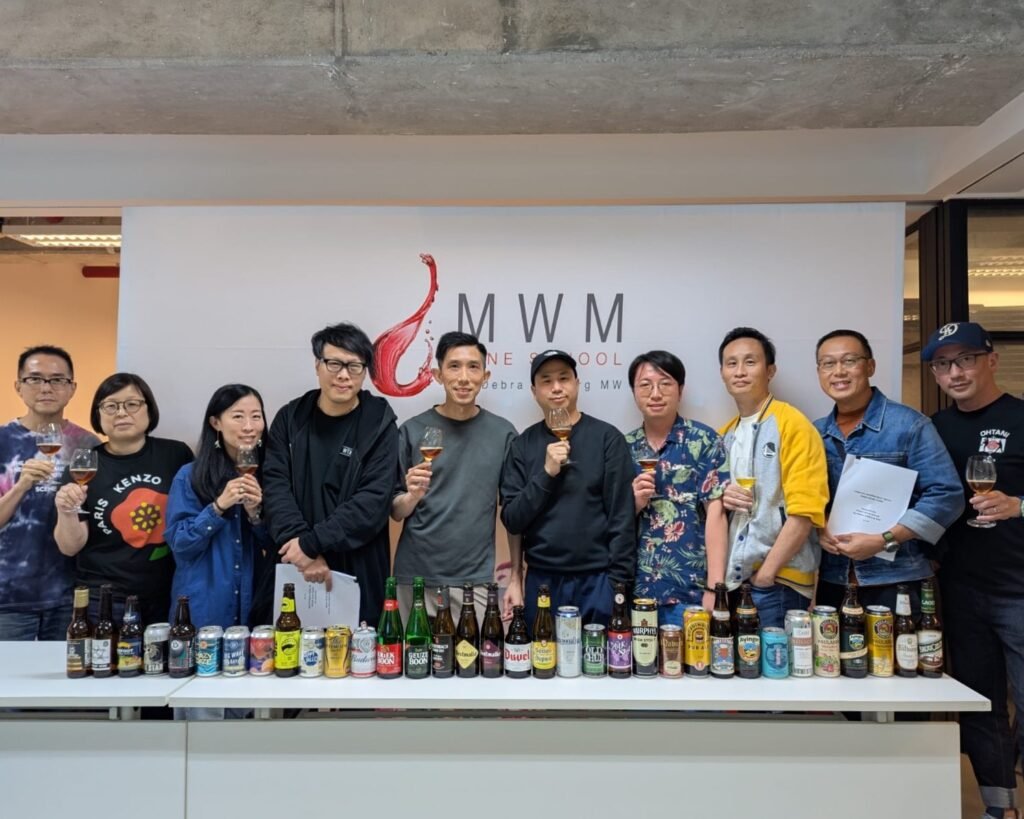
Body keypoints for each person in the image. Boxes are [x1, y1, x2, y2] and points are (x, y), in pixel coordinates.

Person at [925, 321, 1024, 819]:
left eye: (965, 359)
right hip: (960, 587)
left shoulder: (1021, 418)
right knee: (981, 707)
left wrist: (1019, 506)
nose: (955, 371)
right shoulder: (937, 428)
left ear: (991, 359)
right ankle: (998, 808)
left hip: (1019, 590)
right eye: (943, 364)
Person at [813, 329, 962, 616]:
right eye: (828, 364)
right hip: (834, 580)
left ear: (870, 366)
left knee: (899, 661)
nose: (839, 371)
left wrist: (886, 539)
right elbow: (806, 498)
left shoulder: (909, 425)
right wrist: (819, 527)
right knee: (835, 662)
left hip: (898, 580)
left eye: (849, 361)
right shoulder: (814, 432)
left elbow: (947, 495)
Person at [259, 322, 398, 627]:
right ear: (317, 365)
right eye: (334, 363)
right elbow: (275, 486)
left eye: (354, 366)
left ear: (366, 371)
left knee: (360, 665)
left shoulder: (379, 424)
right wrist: (303, 550)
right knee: (289, 657)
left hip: (358, 566)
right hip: (293, 562)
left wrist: (312, 544)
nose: (344, 375)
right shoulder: (291, 417)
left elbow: (373, 501)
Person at [500, 349, 635, 626]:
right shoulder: (522, 445)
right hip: (542, 582)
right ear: (534, 391)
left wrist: (617, 586)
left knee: (600, 669)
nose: (557, 388)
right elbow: (512, 518)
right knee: (544, 666)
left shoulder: (607, 438)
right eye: (546, 381)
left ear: (577, 383)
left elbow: (622, 517)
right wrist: (547, 473)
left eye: (564, 378)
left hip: (599, 582)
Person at [391, 331, 517, 624]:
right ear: (437, 374)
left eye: (473, 367)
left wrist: (515, 576)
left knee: (473, 668)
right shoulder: (412, 430)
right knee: (414, 667)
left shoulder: (503, 434)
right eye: (454, 366)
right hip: (415, 578)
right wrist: (411, 497)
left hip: (474, 580)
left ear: (485, 376)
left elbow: (513, 511)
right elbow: (395, 512)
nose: (463, 377)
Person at [53, 373, 193, 626]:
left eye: (132, 404)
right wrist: (66, 511)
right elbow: (69, 547)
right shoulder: (84, 463)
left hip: (166, 594)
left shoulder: (175, 454)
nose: (121, 413)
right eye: (111, 406)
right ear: (98, 414)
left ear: (149, 409)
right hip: (103, 599)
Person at [717, 327, 828, 628]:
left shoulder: (793, 424)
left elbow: (805, 511)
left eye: (750, 362)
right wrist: (722, 496)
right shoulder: (724, 434)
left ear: (770, 370)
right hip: (736, 583)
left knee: (775, 673)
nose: (740, 371)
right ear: (722, 373)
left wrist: (767, 574)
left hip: (779, 583)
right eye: (731, 363)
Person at [0, 346, 100, 640]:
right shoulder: (3, 441)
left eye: (57, 380)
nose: (46, 388)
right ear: (18, 386)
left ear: (72, 388)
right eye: (35, 379)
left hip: (71, 594)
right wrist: (21, 485)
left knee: (65, 681)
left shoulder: (88, 444)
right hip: (9, 594)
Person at [626, 350, 729, 623]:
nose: (655, 393)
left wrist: (714, 588)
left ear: (680, 390)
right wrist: (633, 504)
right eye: (645, 385)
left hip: (692, 589)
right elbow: (609, 520)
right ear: (634, 393)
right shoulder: (623, 447)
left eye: (665, 384)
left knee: (692, 666)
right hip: (636, 589)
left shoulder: (704, 440)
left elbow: (716, 514)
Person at [165, 384, 272, 630]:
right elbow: (180, 544)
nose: (249, 426)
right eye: (238, 416)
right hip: (202, 608)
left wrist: (256, 515)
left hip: (255, 603)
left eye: (256, 416)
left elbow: (279, 547)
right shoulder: (190, 476)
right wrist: (218, 507)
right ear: (216, 423)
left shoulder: (271, 474)